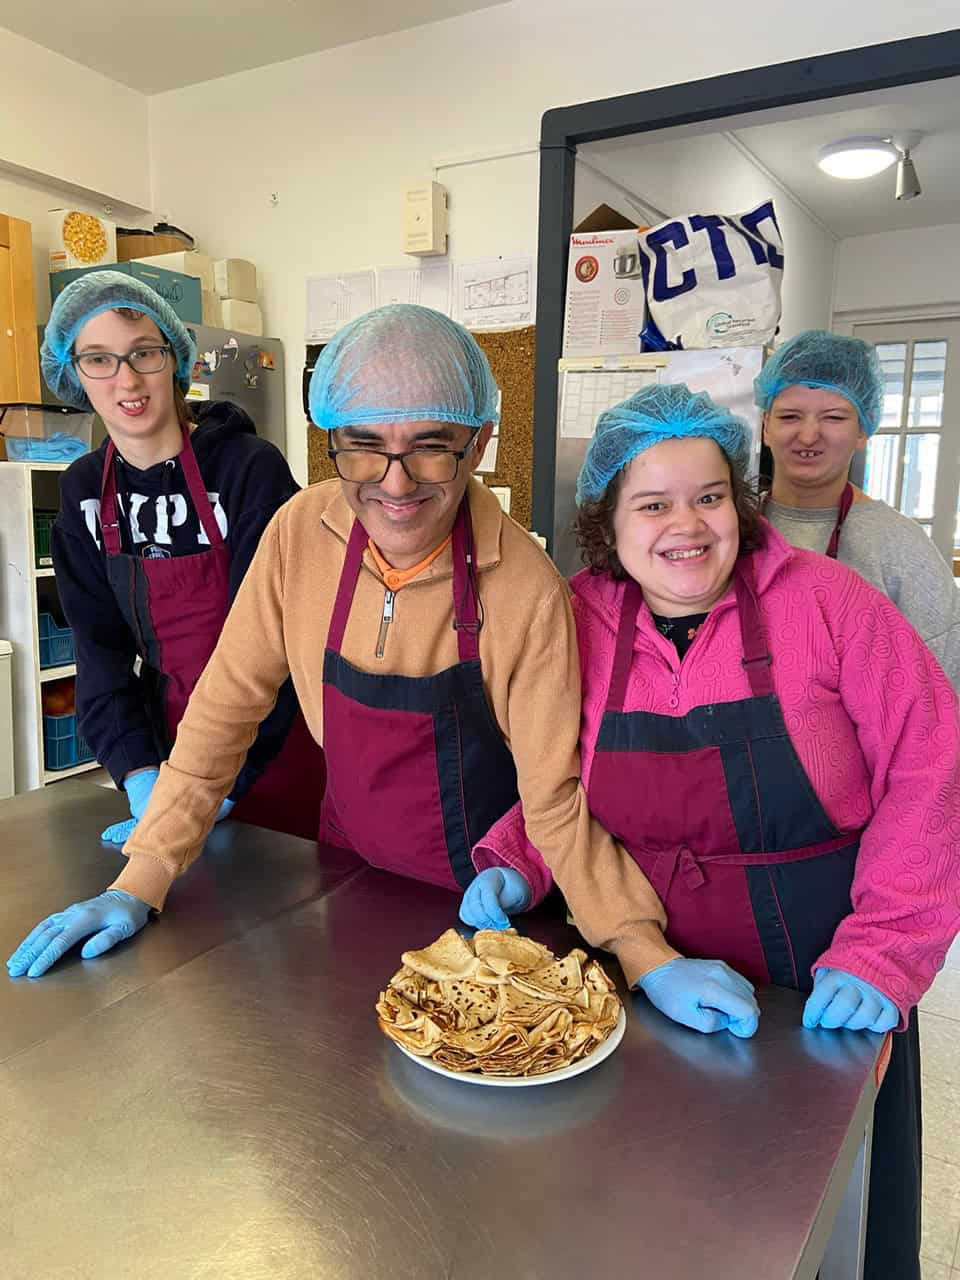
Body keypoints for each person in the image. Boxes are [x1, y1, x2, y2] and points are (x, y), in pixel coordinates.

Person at [8, 304, 669, 989]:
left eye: (430, 445)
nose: (395, 482)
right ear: (332, 439)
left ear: (478, 444)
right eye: (363, 445)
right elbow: (224, 710)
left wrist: (643, 951)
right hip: (346, 877)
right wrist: (139, 880)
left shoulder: (527, 589)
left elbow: (556, 800)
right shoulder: (299, 536)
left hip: (488, 909)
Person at [460, 383, 960, 1280]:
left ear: (742, 503)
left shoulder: (832, 604)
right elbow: (556, 774)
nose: (686, 525)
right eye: (653, 504)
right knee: (651, 1213)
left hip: (820, 979)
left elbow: (933, 770)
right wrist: (519, 856)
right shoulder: (575, 618)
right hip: (642, 973)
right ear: (608, 520)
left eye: (710, 496)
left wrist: (885, 950)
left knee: (818, 1225)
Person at [40, 270, 324, 844]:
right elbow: (100, 656)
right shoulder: (83, 492)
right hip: (171, 750)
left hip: (278, 749)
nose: (126, 379)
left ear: (175, 358)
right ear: (74, 373)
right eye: (99, 359)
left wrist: (219, 785)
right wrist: (143, 776)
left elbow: (280, 645)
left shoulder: (249, 471)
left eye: (143, 353)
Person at [756, 328, 960, 687]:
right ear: (765, 427)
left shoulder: (900, 545)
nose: (808, 435)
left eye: (834, 418)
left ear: (863, 430)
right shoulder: (733, 526)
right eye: (789, 417)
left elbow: (943, 681)